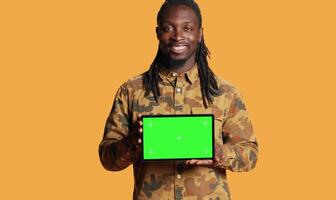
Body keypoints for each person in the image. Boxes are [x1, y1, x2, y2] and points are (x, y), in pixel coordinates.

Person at [98, 0, 258, 199]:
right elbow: (106, 158)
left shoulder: (225, 92)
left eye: (187, 28)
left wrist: (217, 152)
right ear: (158, 33)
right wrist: (132, 142)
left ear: (200, 34)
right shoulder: (131, 90)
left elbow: (250, 155)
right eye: (168, 28)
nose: (178, 36)